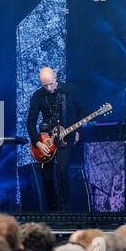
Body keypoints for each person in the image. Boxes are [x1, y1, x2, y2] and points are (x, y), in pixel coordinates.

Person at [26, 67, 84, 211]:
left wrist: (77, 131)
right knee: (46, 177)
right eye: (45, 85)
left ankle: (63, 209)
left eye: (51, 84)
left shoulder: (71, 89)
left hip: (67, 135)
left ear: (56, 77)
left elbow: (82, 110)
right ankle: (53, 211)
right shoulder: (38, 95)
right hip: (46, 139)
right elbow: (30, 122)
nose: (49, 88)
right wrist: (37, 143)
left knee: (62, 170)